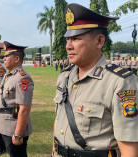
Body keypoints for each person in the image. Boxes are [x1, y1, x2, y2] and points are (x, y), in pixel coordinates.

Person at [52, 3, 138, 157]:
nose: (68, 46)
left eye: (76, 39)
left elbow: (129, 148)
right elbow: (59, 122)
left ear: (99, 41)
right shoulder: (64, 77)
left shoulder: (120, 82)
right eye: (67, 39)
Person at [0, 41, 34, 157]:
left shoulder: (22, 77)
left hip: (14, 127)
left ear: (17, 59)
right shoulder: (9, 74)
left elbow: (25, 109)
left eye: (7, 56)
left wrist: (18, 134)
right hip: (5, 124)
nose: (4, 58)